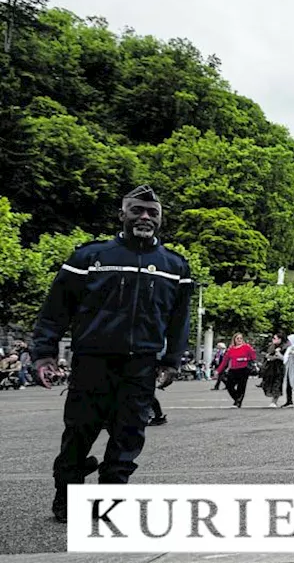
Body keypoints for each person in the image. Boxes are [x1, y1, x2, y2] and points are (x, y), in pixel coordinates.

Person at [30, 184, 192, 522]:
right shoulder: (89, 257)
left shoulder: (174, 266)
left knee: (129, 436)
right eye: (137, 210)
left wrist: (172, 360)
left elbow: (179, 321)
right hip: (93, 361)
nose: (145, 217)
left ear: (161, 219)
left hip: (141, 365)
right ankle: (67, 497)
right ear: (122, 214)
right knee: (79, 432)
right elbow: (55, 309)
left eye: (153, 212)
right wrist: (44, 352)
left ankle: (110, 499)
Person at [215, 333, 257, 408]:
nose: (239, 340)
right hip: (233, 369)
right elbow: (225, 361)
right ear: (234, 340)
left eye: (241, 338)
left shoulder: (246, 347)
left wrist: (245, 358)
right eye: (237, 338)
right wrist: (218, 370)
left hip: (244, 369)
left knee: (241, 387)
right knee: (229, 385)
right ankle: (237, 398)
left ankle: (238, 402)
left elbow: (253, 357)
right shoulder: (231, 349)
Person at [260, 334, 286, 407]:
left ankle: (274, 401)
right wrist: (267, 355)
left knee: (277, 384)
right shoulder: (270, 346)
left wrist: (277, 356)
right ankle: (270, 394)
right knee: (267, 383)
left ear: (280, 339)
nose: (273, 339)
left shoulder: (283, 347)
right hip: (269, 368)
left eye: (275, 338)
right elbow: (262, 351)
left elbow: (285, 358)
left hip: (278, 368)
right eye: (273, 338)